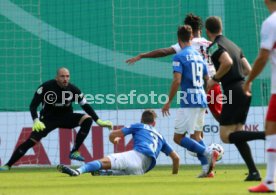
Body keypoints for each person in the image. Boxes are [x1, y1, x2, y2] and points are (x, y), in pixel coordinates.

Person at [0, 67, 113, 171]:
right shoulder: (46, 87)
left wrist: (98, 120)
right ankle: (8, 165)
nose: (65, 79)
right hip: (48, 120)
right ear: (56, 77)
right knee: (31, 141)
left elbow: (85, 106)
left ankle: (74, 151)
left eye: (67, 76)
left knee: (87, 119)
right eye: (62, 76)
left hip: (66, 117)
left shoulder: (73, 90)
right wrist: (36, 120)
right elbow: (33, 105)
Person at [126, 13, 222, 123]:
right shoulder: (211, 44)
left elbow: (164, 52)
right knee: (221, 120)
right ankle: (237, 132)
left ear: (188, 30)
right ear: (200, 29)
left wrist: (142, 55)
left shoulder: (187, 45)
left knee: (188, 129)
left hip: (196, 90)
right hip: (213, 85)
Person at [205, 16, 266, 181]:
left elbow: (227, 62)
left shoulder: (213, 47)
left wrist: (215, 79)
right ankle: (254, 172)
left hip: (233, 91)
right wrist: (239, 78)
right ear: (221, 27)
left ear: (207, 30)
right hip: (244, 88)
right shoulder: (234, 45)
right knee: (237, 133)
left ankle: (266, 134)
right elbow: (248, 69)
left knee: (225, 136)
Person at [161, 25, 218, 178]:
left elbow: (177, 81)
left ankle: (208, 152)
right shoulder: (200, 56)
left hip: (188, 101)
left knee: (178, 138)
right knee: (196, 137)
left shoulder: (179, 56)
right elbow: (208, 80)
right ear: (191, 38)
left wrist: (168, 101)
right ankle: (208, 169)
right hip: (201, 99)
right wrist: (204, 96)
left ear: (179, 39)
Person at [57, 110, 180, 176]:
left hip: (137, 157)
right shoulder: (161, 137)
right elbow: (176, 159)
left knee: (104, 161)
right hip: (143, 170)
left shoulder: (138, 125)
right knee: (122, 170)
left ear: (141, 120)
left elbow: (112, 134)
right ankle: (103, 174)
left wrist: (114, 140)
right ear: (154, 123)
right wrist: (174, 175)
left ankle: (77, 171)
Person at [245, 0, 276, 192]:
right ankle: (270, 181)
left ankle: (270, 181)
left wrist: (248, 80)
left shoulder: (271, 22)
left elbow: (263, 56)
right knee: (271, 129)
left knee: (271, 129)